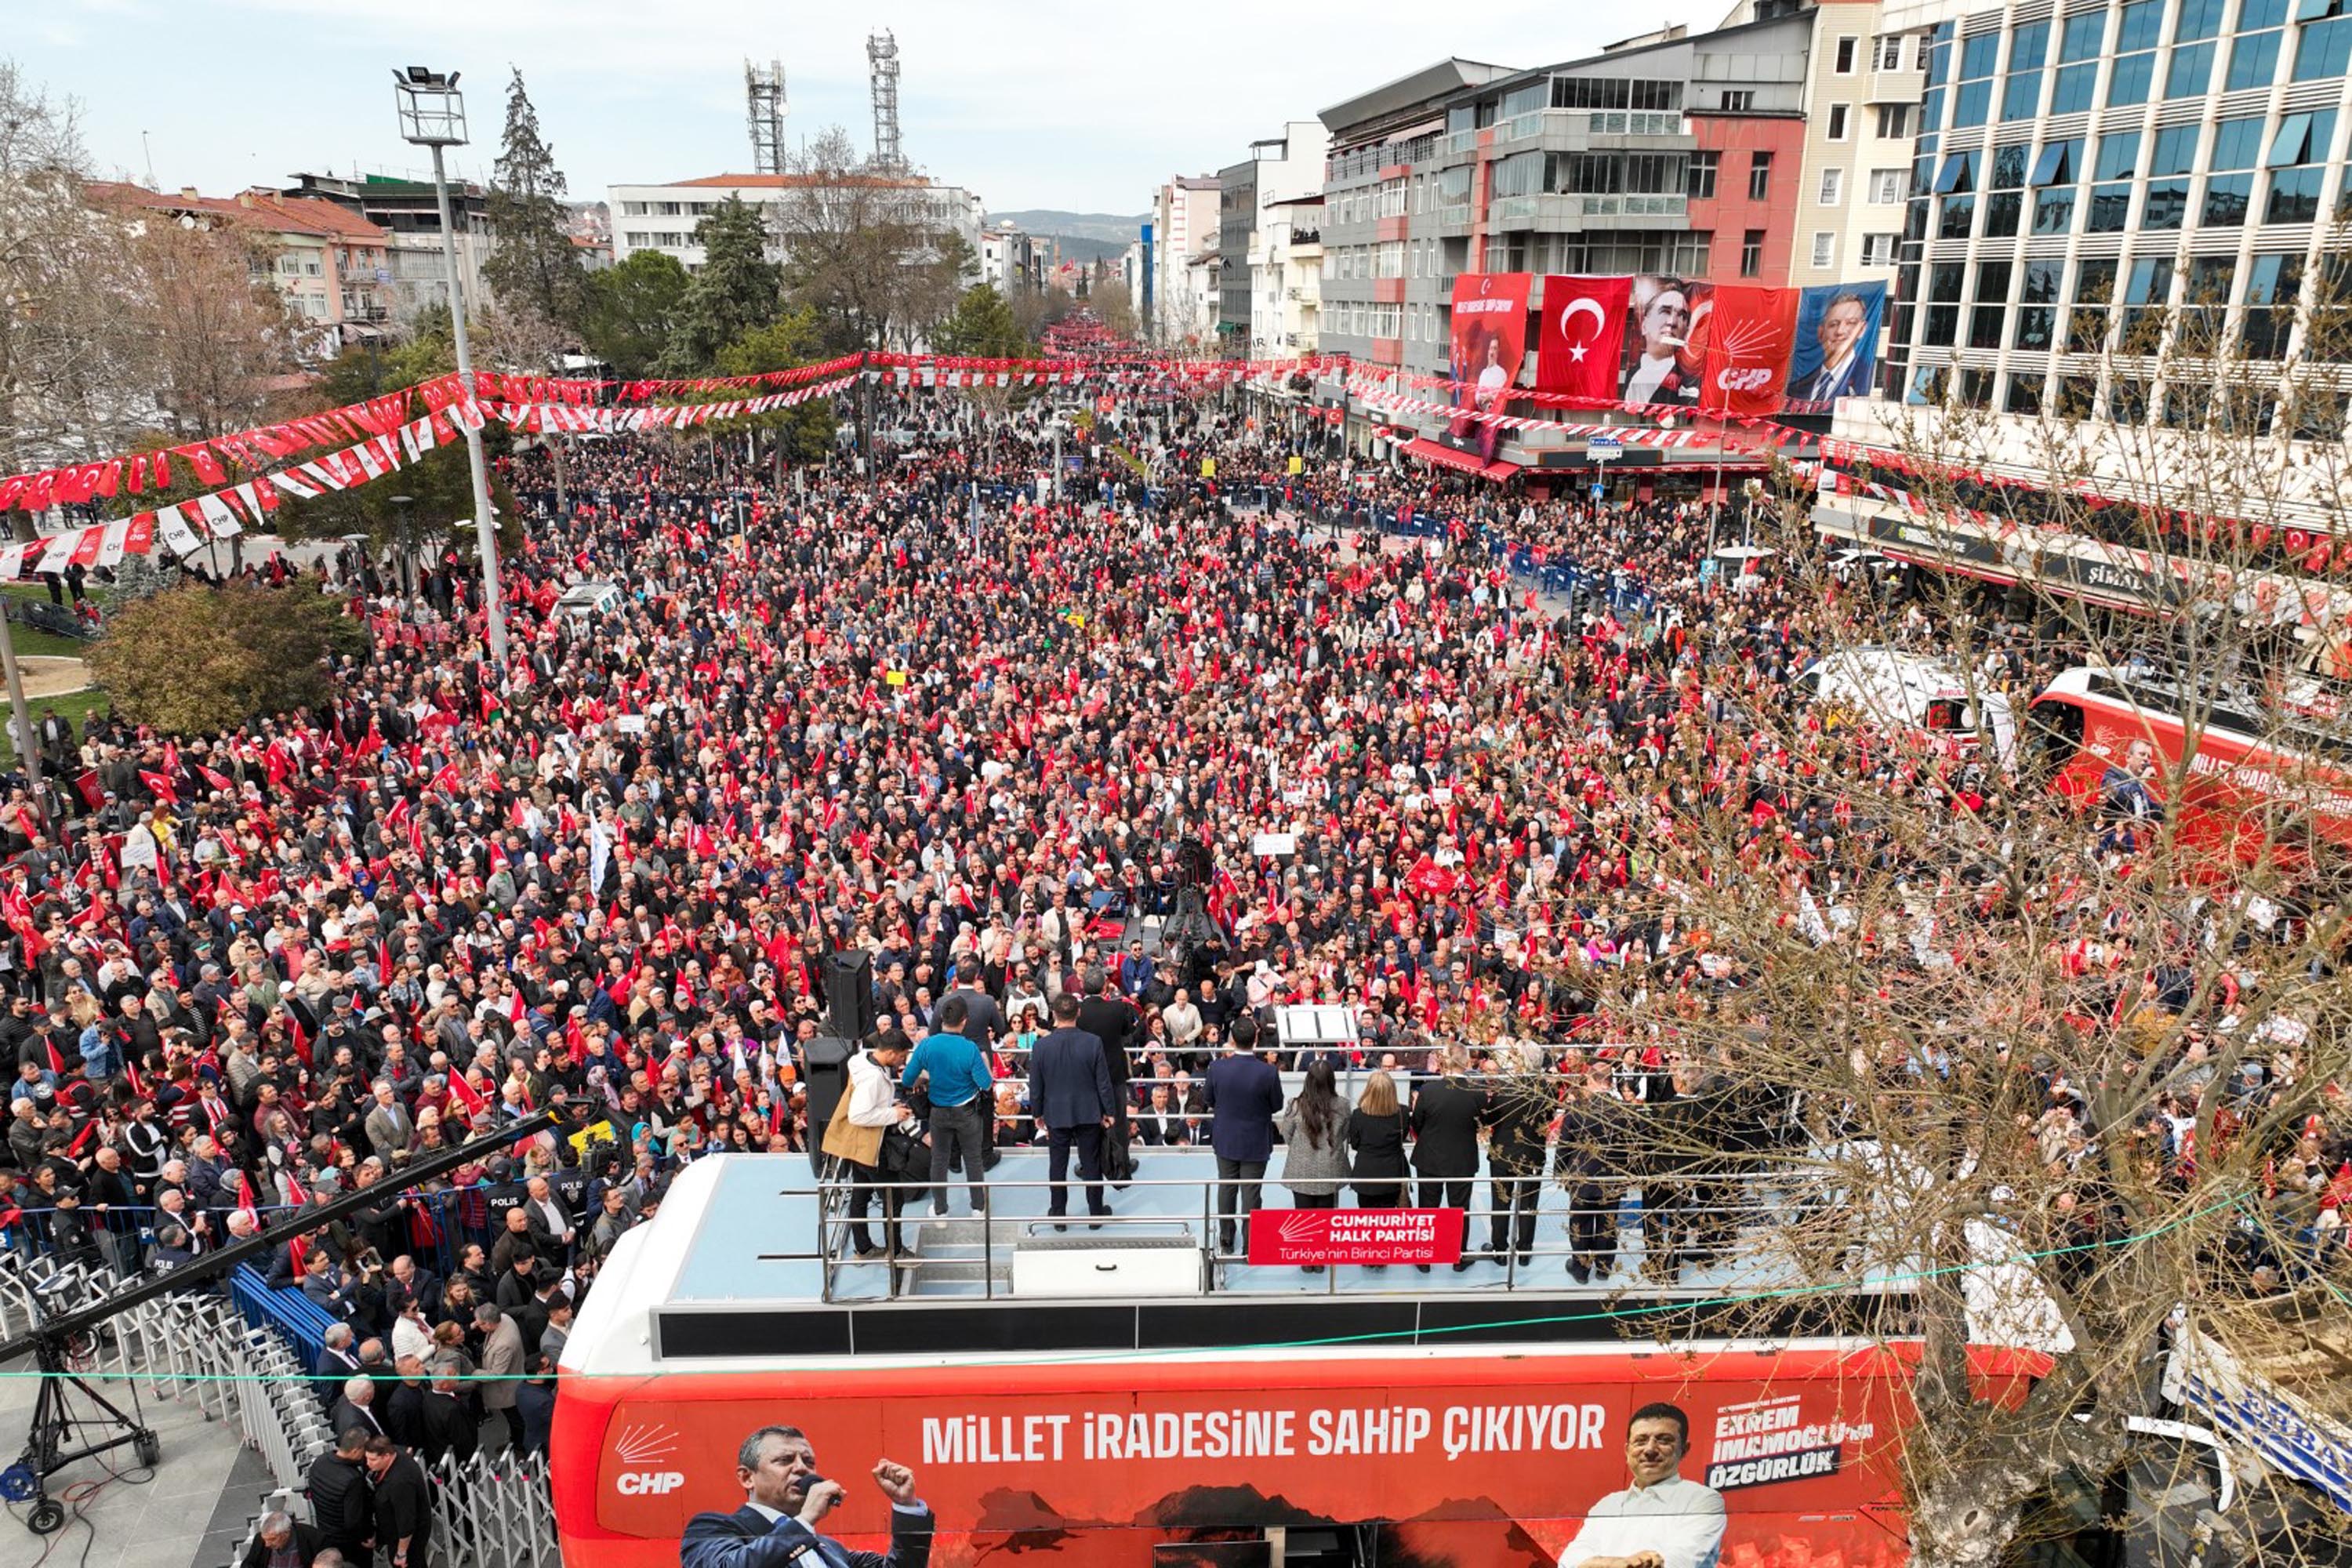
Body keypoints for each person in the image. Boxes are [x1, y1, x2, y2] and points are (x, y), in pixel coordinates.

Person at [679, 1424, 933, 1568]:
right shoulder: (714, 1528)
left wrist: (906, 1505)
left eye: (809, 1462)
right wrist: (806, 1519)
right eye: (785, 1460)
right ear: (747, 1477)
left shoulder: (829, 1549)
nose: (802, 1468)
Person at [1555, 1403, 1726, 1568]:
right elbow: (1569, 1561)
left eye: (1664, 1440)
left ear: (1684, 1449)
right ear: (1627, 1451)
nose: (1650, 1449)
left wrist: (1598, 1565)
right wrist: (1619, 1564)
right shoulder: (1607, 1505)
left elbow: (1677, 1563)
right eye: (1640, 1441)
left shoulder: (1702, 1500)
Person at [1027, 993, 1115, 1228]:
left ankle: (1059, 1216)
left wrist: (1037, 1113)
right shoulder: (1093, 1042)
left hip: (1056, 1113)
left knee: (1057, 1165)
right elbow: (1103, 1082)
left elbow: (1035, 1085)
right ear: (1078, 1013)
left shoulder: (1042, 1046)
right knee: (1091, 1163)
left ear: (1054, 1015)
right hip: (1089, 1112)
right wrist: (1109, 1111)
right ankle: (1095, 1215)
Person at [899, 996, 992, 1218]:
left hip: (938, 1111)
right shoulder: (970, 1049)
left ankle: (940, 1209)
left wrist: (928, 1077)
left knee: (939, 1159)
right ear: (965, 1021)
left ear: (941, 1018)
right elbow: (986, 1083)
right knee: (973, 1159)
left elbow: (907, 1080)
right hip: (967, 1112)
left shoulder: (927, 1045)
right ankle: (978, 1208)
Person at [825, 1031, 914, 1260]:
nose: (902, 1061)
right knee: (893, 1198)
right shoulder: (873, 1078)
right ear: (891, 1053)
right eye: (902, 1056)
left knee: (860, 1194)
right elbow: (859, 1115)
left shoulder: (861, 1061)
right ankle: (895, 1252)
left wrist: (887, 1105)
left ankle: (863, 1248)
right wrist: (893, 1114)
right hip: (871, 1146)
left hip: (858, 1144)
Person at [1203, 1019, 1283, 1257]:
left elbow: (1209, 1099)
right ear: (1255, 1040)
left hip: (1226, 1138)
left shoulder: (1217, 1068)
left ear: (1233, 1040)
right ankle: (1251, 1244)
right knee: (1251, 1193)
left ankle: (1226, 1239)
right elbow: (1276, 1105)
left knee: (1226, 1188)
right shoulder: (1268, 1071)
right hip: (1256, 1140)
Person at [1409, 1044, 1489, 1272]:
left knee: (1428, 1208)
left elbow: (1417, 1123)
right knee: (1459, 1210)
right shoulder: (1477, 1091)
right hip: (1461, 1159)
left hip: (1430, 1157)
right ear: (1467, 1063)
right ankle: (1457, 1257)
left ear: (1445, 1063)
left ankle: (1424, 1259)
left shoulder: (1429, 1090)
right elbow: (1483, 1122)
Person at [1274, 1059, 1351, 1273]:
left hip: (1301, 1168)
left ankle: (1306, 1259)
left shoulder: (1295, 1105)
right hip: (1330, 1167)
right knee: (1325, 1216)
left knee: (1303, 1215)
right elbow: (1345, 1134)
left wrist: (1301, 1150)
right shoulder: (1343, 1105)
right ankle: (1320, 1259)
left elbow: (1287, 1134)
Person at [1074, 968, 1139, 1183]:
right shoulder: (1117, 1008)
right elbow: (1128, 1031)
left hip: (1085, 1076)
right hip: (1113, 1075)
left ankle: (1088, 1165)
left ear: (1084, 987)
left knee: (1088, 1122)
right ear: (1105, 987)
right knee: (1119, 1120)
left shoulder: (1078, 1011)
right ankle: (1123, 1165)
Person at [1345, 1071, 1410, 1269]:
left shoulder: (1358, 1115)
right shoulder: (1403, 1113)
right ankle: (1381, 1255)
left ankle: (1368, 1254)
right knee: (1386, 1218)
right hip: (1392, 1172)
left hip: (1366, 1172)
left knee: (1366, 1216)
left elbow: (1355, 1143)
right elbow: (1403, 1137)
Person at [306, 1428, 376, 1568]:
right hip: (351, 1544)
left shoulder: (320, 1461)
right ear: (356, 1450)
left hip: (326, 1535)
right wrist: (368, 1536)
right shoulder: (352, 1480)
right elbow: (353, 1521)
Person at [1789, 292, 1872, 404]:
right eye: (1833, 324)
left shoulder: (1868, 379)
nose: (1840, 331)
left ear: (1862, 329)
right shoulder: (1797, 387)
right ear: (1821, 332)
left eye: (1851, 323)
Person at [362, 1437, 433, 1568]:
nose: (368, 1464)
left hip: (407, 1540)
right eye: (366, 1458)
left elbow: (406, 1522)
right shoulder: (397, 1453)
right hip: (397, 1531)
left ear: (387, 1456)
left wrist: (401, 1553)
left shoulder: (399, 1483)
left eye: (372, 1459)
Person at [1623, 279, 1694, 406]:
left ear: (1686, 331)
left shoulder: (1690, 383)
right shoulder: (1632, 375)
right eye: (1665, 312)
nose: (1672, 322)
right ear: (1644, 325)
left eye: (1681, 315)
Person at [241, 1510, 325, 1568]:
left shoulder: (313, 1538)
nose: (267, 1544)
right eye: (265, 1539)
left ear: (286, 1533)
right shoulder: (260, 1540)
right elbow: (248, 1564)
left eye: (272, 1539)